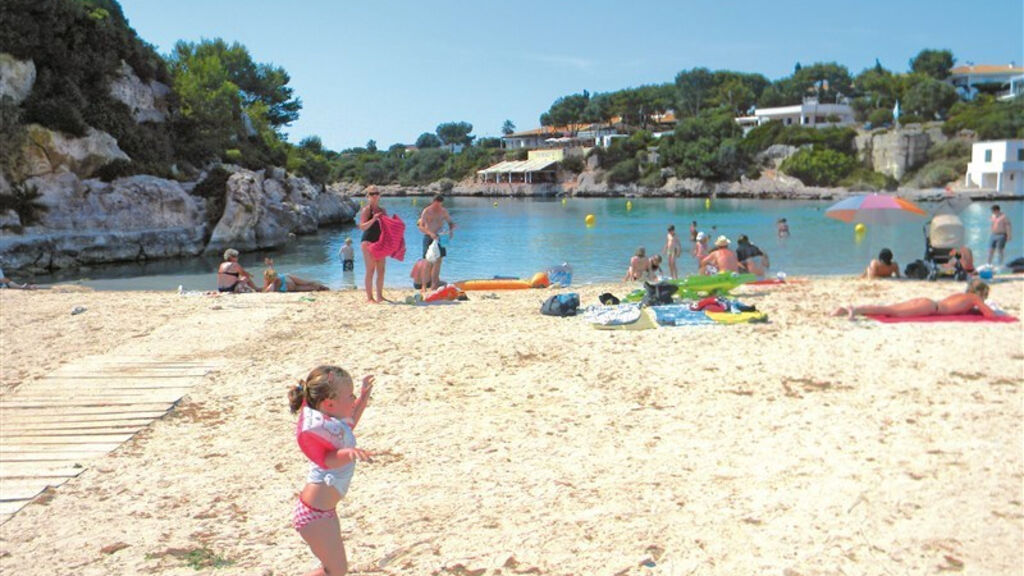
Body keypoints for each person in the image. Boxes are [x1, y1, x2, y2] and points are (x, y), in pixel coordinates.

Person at [288, 365, 375, 576]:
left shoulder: (333, 425)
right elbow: (329, 460)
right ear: (329, 404)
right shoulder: (325, 432)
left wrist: (364, 397)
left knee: (334, 570)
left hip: (322, 511)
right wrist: (349, 453)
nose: (353, 399)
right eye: (350, 396)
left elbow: (351, 420)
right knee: (336, 570)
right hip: (314, 515)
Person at [832, 279, 995, 319]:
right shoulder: (974, 298)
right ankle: (854, 309)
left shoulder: (962, 296)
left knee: (890, 308)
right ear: (980, 293)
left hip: (928, 302)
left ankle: (848, 309)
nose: (985, 299)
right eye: (985, 296)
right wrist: (985, 307)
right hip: (930, 308)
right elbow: (990, 315)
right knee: (891, 311)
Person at [417, 195, 456, 291]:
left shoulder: (443, 211)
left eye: (439, 205)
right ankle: (424, 286)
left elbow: (450, 222)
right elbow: (421, 226)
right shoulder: (427, 211)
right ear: (433, 202)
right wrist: (430, 233)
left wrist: (451, 230)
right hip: (429, 236)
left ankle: (434, 284)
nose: (437, 207)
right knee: (427, 261)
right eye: (436, 205)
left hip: (441, 236)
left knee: (438, 261)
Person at [358, 186, 387, 303]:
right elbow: (362, 227)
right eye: (372, 193)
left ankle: (380, 296)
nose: (374, 196)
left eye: (376, 193)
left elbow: (387, 228)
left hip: (380, 242)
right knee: (370, 270)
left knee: (381, 270)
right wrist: (373, 219)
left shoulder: (383, 210)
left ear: (379, 195)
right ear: (368, 196)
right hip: (368, 241)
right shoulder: (366, 210)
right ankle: (370, 297)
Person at [262, 258, 329, 292]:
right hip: (288, 278)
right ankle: (322, 286)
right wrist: (270, 265)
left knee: (307, 287)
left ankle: (320, 288)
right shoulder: (272, 277)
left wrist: (270, 266)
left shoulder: (271, 284)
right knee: (307, 283)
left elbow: (268, 290)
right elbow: (271, 272)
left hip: (289, 286)